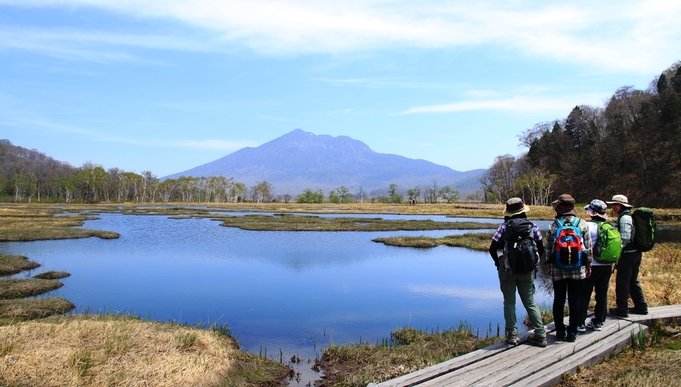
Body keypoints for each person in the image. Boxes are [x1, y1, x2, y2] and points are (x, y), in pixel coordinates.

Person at [489, 197, 547, 347]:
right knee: (530, 302)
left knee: (509, 302)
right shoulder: (532, 226)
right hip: (527, 271)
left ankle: (512, 336)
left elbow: (492, 248)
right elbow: (541, 249)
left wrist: (498, 263)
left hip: (508, 271)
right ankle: (540, 334)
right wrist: (533, 263)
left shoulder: (504, 227)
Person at [545, 194, 592, 343]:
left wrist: (549, 265)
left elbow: (548, 249)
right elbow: (588, 248)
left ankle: (559, 330)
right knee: (575, 300)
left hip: (558, 268)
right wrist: (588, 265)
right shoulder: (582, 224)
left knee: (558, 299)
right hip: (577, 269)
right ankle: (572, 332)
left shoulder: (554, 225)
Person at [607, 194, 648, 317]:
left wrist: (616, 253)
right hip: (635, 254)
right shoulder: (628, 216)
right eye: (613, 205)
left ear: (622, 206)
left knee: (622, 282)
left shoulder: (624, 218)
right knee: (632, 281)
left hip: (628, 255)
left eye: (615, 205)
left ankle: (622, 309)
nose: (613, 207)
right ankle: (641, 307)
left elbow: (625, 238)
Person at [577, 200, 612, 332]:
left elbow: (581, 244)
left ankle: (580, 322)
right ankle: (598, 321)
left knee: (584, 292)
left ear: (591, 213)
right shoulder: (609, 226)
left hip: (591, 265)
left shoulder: (587, 226)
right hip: (607, 265)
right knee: (602, 293)